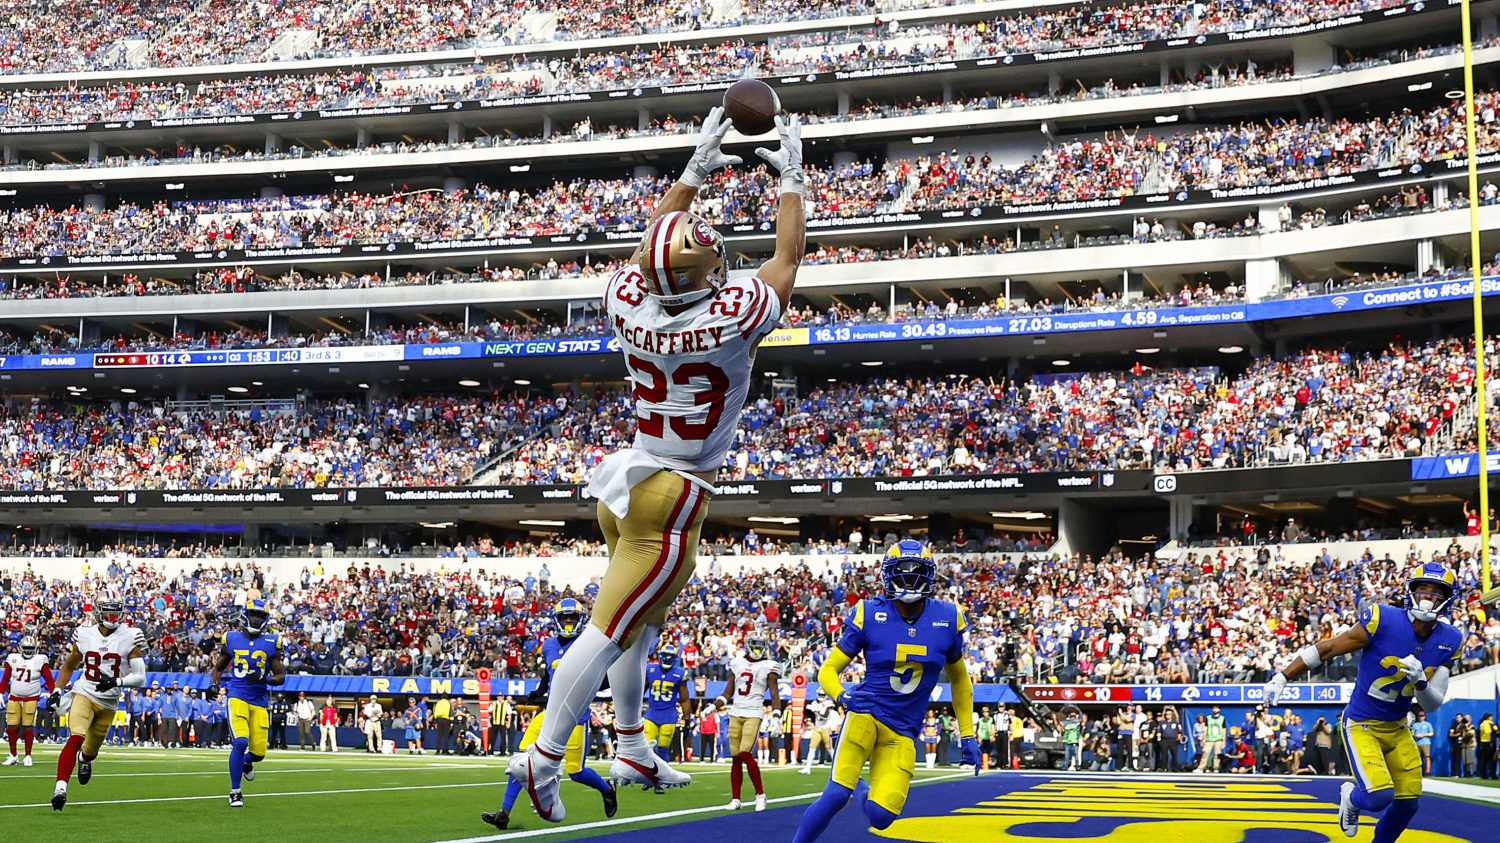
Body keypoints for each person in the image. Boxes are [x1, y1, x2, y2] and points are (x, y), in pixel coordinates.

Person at [508, 105, 806, 823]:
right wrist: (792, 176)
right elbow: (787, 258)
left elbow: (651, 251)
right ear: (711, 273)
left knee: (638, 624)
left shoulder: (626, 300)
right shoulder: (732, 312)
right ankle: (543, 758)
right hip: (671, 492)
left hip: (626, 481)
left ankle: (633, 740)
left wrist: (693, 172)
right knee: (609, 628)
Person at [791, 540, 979, 842]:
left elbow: (960, 679)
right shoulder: (869, 611)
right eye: (901, 572)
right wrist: (842, 695)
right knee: (837, 794)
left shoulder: (948, 617)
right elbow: (828, 669)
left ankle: (863, 789)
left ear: (929, 575)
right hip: (865, 714)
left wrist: (967, 734)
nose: (908, 579)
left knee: (881, 818)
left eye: (916, 571)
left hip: (903, 729)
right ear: (887, 575)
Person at [1265, 562, 1462, 841]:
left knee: (1408, 804)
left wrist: (1420, 681)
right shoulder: (1384, 618)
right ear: (1410, 592)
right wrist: (1283, 676)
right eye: (1423, 589)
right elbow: (1331, 647)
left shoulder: (1451, 639)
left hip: (1397, 727)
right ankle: (1351, 798)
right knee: (1379, 795)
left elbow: (1431, 704)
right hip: (1362, 723)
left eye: (1437, 591)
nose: (1429, 596)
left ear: (1448, 599)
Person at [483, 599, 618, 831]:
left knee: (576, 772)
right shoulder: (548, 645)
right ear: (557, 620)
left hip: (577, 716)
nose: (568, 622)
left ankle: (606, 790)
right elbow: (549, 673)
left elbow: (602, 676)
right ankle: (503, 813)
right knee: (521, 762)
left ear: (580, 620)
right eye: (564, 618)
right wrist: (539, 691)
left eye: (572, 618)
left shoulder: (587, 644)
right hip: (550, 711)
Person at [50, 589, 149, 811]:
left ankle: (85, 761)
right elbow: (69, 664)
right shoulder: (84, 634)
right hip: (84, 692)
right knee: (75, 737)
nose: (113, 617)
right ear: (98, 612)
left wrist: (117, 682)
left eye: (116, 613)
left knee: (90, 751)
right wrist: (57, 690)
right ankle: (60, 789)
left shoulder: (131, 636)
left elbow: (140, 677)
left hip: (108, 702)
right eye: (108, 613)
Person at [209, 597, 287, 808]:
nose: (255, 619)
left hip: (259, 701)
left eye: (259, 616)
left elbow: (281, 677)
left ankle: (246, 762)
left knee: (259, 754)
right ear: (245, 615)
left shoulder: (272, 642)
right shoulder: (231, 638)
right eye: (253, 615)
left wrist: (265, 678)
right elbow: (218, 667)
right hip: (237, 696)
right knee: (241, 742)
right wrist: (215, 684)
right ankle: (235, 791)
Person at [703, 635, 781, 811]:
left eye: (761, 647)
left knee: (745, 752)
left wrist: (776, 716)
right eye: (755, 647)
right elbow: (728, 692)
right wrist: (712, 707)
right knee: (736, 757)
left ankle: (760, 795)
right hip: (736, 711)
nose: (758, 650)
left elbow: (775, 694)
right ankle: (736, 799)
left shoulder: (770, 665)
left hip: (754, 712)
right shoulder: (737, 663)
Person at [3, 634, 54, 766]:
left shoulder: (40, 660)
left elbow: (49, 678)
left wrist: (54, 692)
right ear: (20, 647)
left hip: (31, 697)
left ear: (36, 648)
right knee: (12, 725)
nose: (28, 650)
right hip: (14, 697)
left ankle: (28, 755)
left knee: (27, 726)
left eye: (31, 648)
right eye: (26, 647)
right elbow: (6, 677)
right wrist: (0, 692)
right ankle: (13, 754)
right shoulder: (13, 658)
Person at [643, 642, 689, 764]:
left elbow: (684, 699)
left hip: (669, 715)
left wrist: (687, 718)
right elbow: (641, 691)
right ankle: (648, 774)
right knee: (646, 748)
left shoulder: (679, 673)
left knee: (663, 748)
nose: (667, 659)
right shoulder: (650, 669)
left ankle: (663, 777)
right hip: (652, 713)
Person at [1480, 713, 1497, 779]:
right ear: (1488, 717)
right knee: (1492, 760)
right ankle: (1492, 775)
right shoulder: (1490, 723)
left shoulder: (1482, 724)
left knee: (1483, 760)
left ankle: (1483, 775)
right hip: (1490, 743)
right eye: (1491, 717)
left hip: (1483, 743)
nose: (1492, 718)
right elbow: (1494, 730)